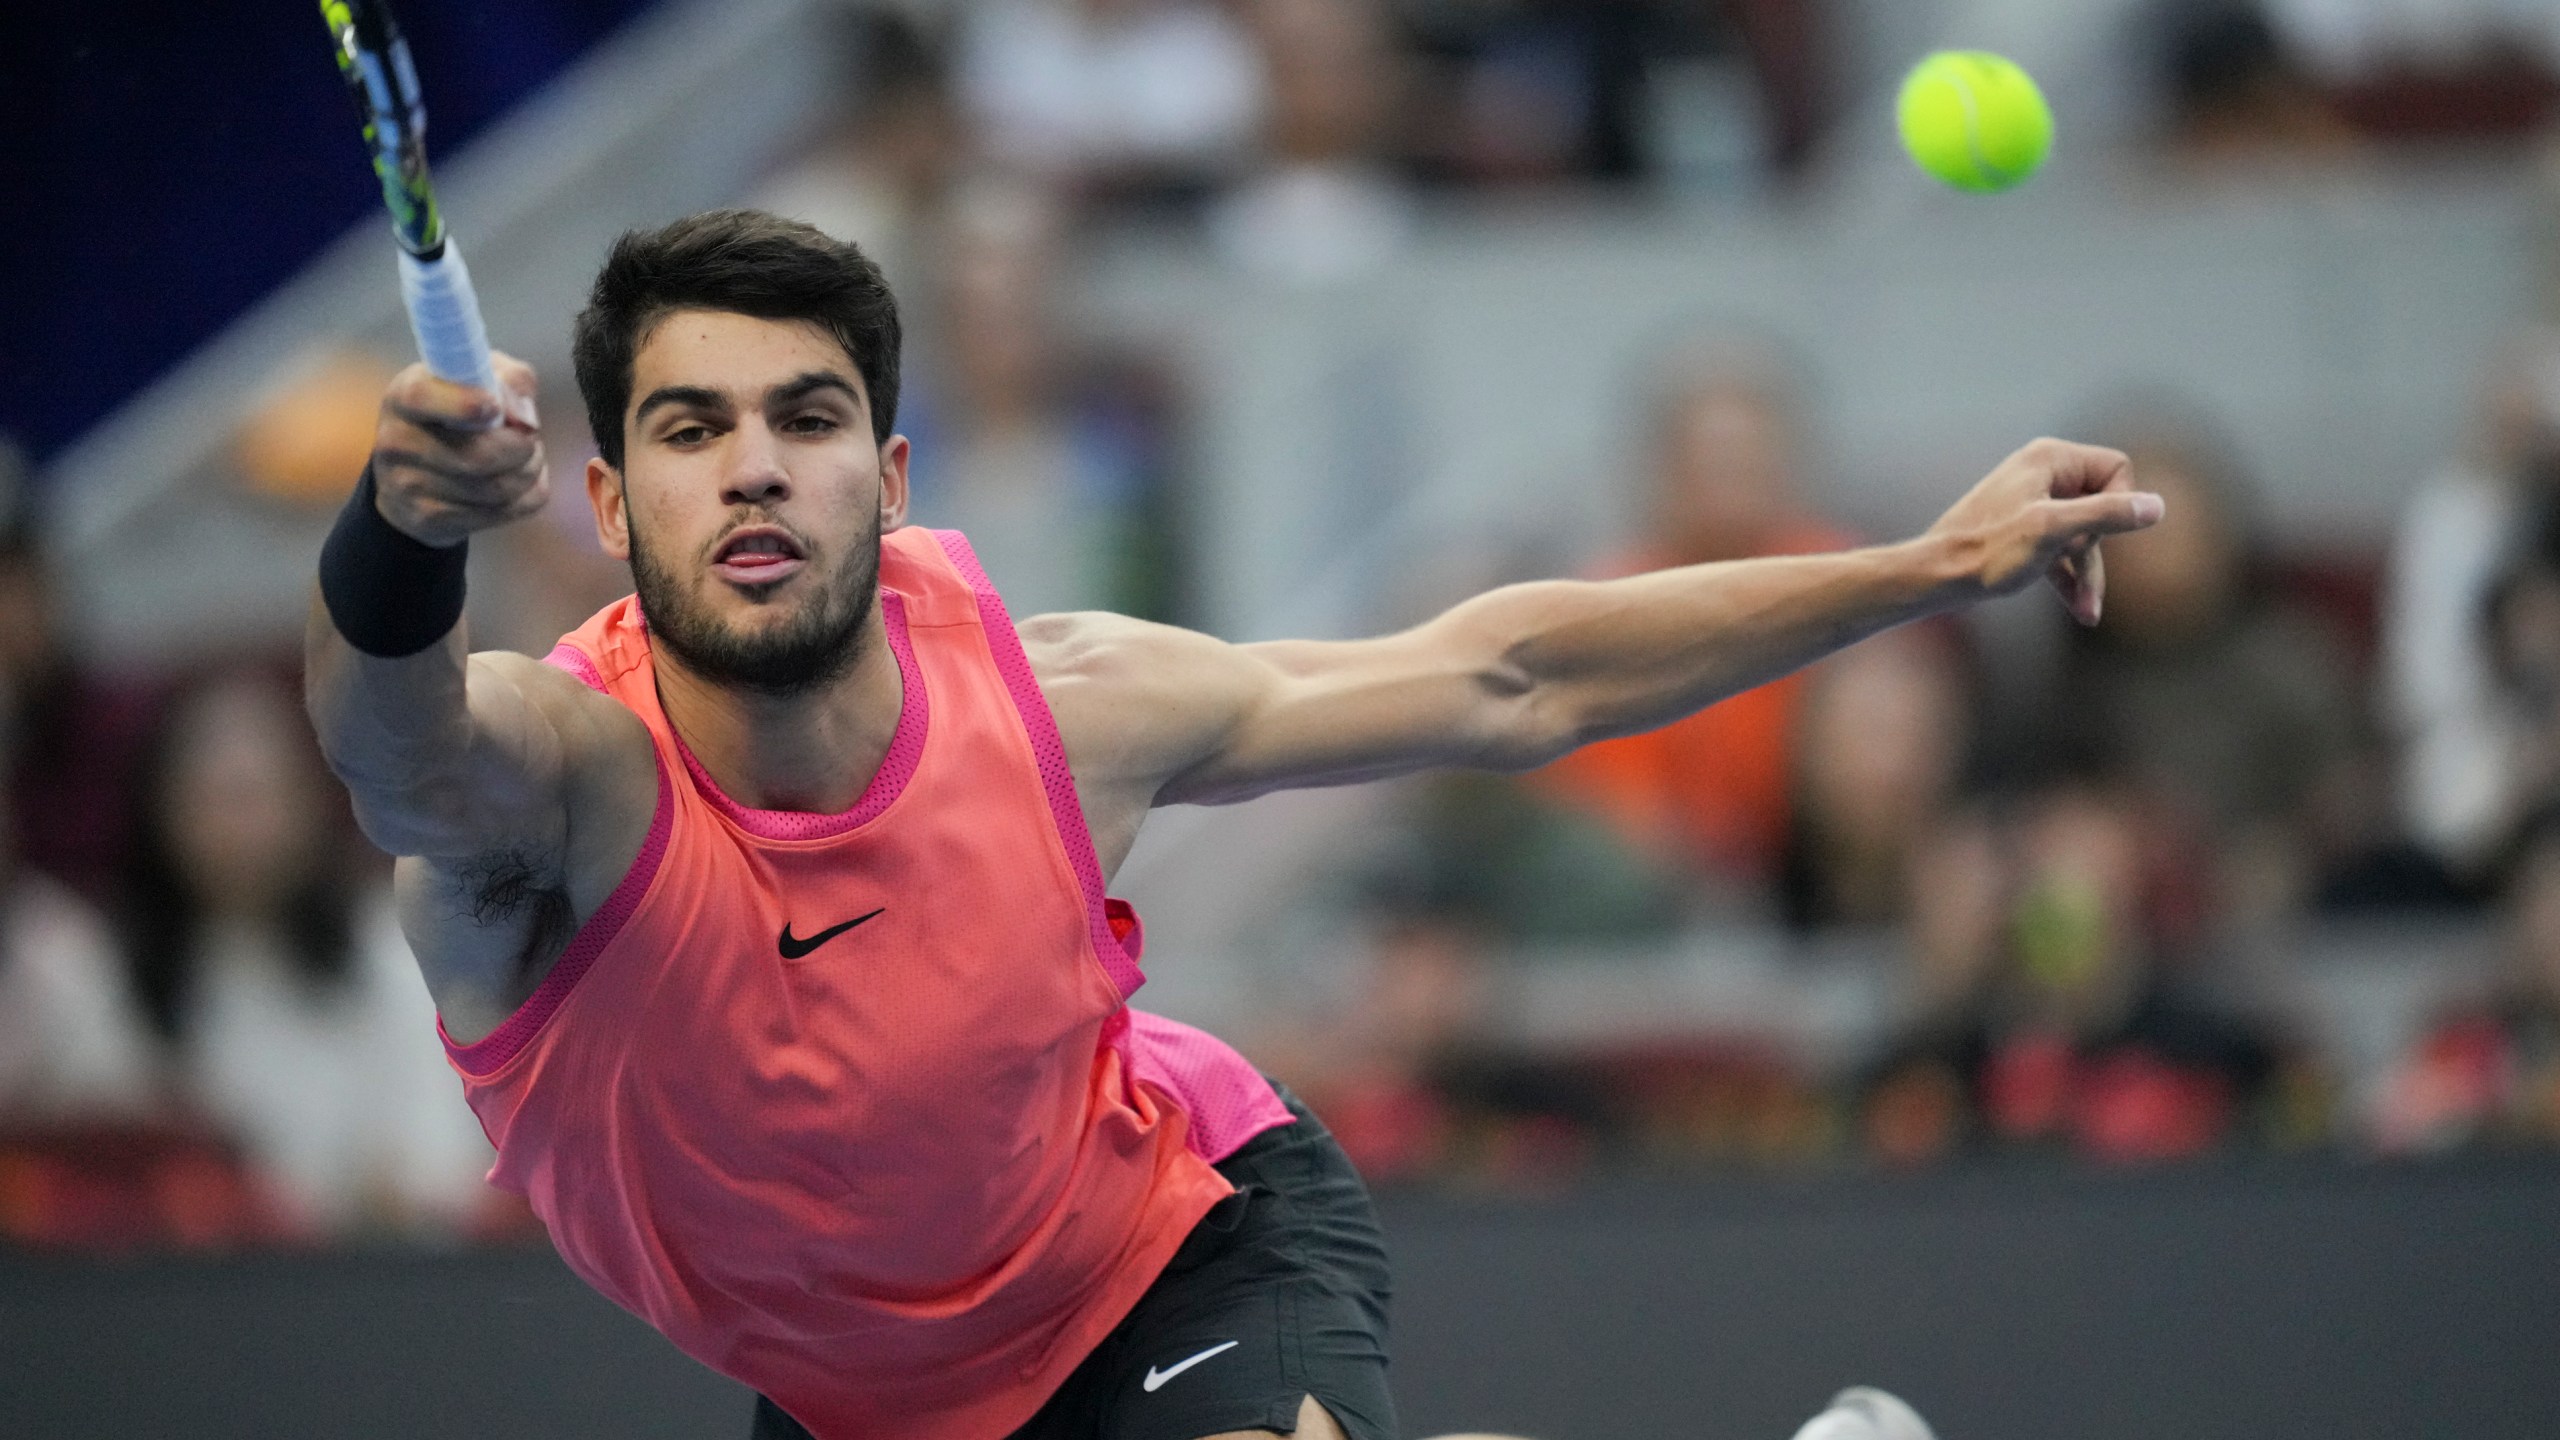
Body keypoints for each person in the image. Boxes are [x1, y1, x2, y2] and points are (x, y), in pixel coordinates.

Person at [304, 209, 2158, 1440]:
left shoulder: (1058, 704)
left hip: (1162, 1232)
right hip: (870, 1397)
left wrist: (1932, 563)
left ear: (889, 475)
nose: (757, 462)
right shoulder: (555, 795)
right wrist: (402, 528)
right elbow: (395, 749)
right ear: (612, 505)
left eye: (807, 416)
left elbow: (1509, 680)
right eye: (695, 428)